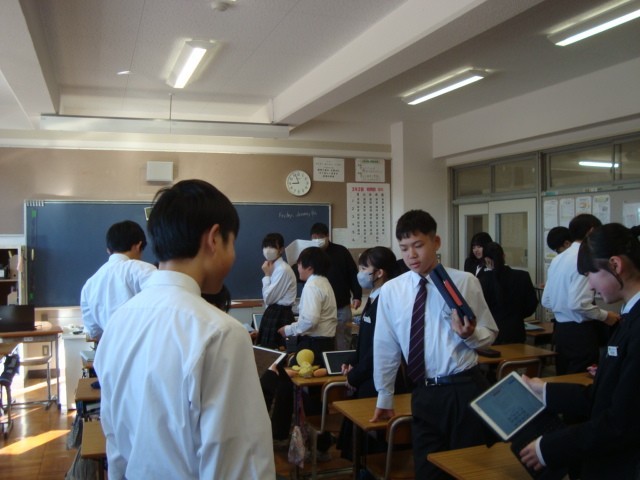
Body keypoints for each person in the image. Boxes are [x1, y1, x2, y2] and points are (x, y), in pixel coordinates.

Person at [94, 179, 274, 479]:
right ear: (214, 239)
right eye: (232, 243)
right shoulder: (220, 332)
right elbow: (240, 463)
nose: (234, 255)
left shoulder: (118, 323)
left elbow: (114, 440)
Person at [372, 210, 498, 479]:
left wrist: (470, 335)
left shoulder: (464, 281)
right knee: (428, 470)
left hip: (463, 388)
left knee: (468, 469)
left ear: (436, 242)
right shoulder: (392, 290)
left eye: (418, 245)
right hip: (423, 392)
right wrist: (384, 394)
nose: (411, 255)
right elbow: (385, 345)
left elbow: (490, 333)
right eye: (404, 248)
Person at [520, 223, 640, 479]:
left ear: (615, 265)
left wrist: (548, 448)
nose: (591, 286)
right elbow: (603, 396)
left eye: (591, 274)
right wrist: (545, 390)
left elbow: (621, 423)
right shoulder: (629, 316)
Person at [337, 246, 402, 461]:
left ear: (379, 273)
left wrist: (354, 376)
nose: (360, 273)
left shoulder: (387, 300)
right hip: (365, 375)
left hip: (378, 380)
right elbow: (365, 340)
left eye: (364, 268)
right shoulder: (373, 297)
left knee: (373, 448)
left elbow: (381, 349)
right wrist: (351, 361)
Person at [542, 214, 619, 375]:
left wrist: (562, 308)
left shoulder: (558, 259)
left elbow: (546, 300)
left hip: (560, 331)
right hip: (581, 333)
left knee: (563, 379)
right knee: (582, 381)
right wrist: (606, 316)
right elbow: (578, 303)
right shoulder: (585, 257)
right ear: (591, 231)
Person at [80, 220, 156, 341]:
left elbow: (94, 332)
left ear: (108, 250)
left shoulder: (89, 284)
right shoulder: (144, 270)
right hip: (145, 344)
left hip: (110, 348)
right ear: (138, 245)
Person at [279, 246, 338, 365]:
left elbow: (310, 320)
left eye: (299, 265)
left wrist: (288, 330)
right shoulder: (324, 282)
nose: (298, 269)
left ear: (309, 267)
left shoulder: (312, 286)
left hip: (313, 344)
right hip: (326, 342)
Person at [309, 222, 362, 350]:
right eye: (314, 237)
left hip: (341, 306)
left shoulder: (341, 251)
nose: (317, 240)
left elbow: (353, 274)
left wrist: (357, 295)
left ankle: (342, 362)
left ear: (328, 236)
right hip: (319, 310)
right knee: (322, 344)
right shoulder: (309, 254)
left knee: (342, 341)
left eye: (320, 237)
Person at [479, 242, 538, 344]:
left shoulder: (481, 281)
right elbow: (532, 304)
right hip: (516, 332)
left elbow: (478, 309)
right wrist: (516, 316)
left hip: (490, 334)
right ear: (504, 256)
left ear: (486, 260)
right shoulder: (522, 276)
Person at [258, 232, 297, 350]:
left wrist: (266, 276)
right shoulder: (272, 267)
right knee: (267, 353)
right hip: (273, 312)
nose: (268, 250)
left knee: (278, 353)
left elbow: (268, 298)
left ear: (281, 250)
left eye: (272, 246)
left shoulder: (282, 269)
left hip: (280, 314)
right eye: (266, 246)